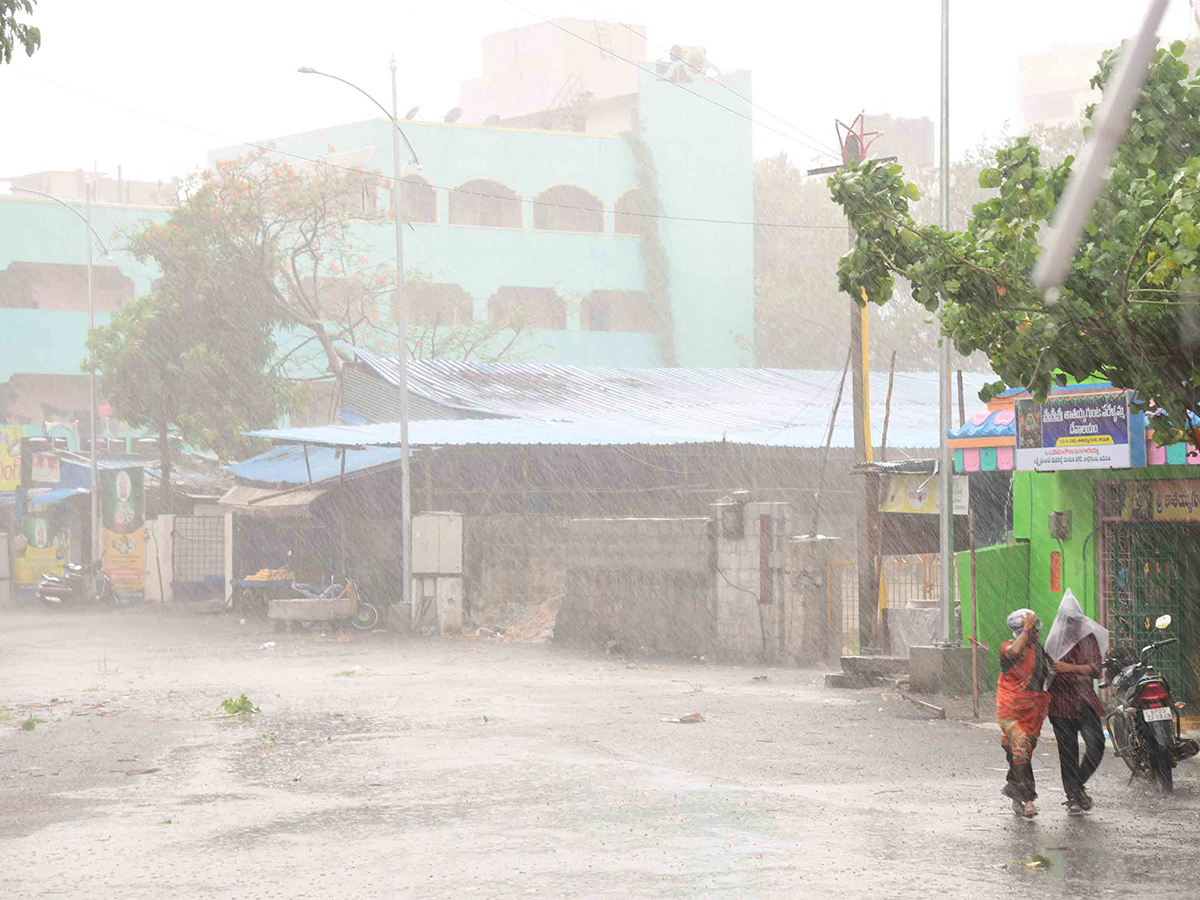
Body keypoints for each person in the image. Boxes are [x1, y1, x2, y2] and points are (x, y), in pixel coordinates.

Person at [1044, 589, 1108, 815]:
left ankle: (1076, 787)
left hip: (1085, 702)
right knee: (1068, 752)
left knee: (1097, 745)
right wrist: (1080, 671)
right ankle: (1074, 797)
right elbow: (1051, 671)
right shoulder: (1053, 641)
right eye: (1068, 621)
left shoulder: (1087, 638)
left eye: (1075, 621)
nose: (1072, 626)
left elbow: (1096, 670)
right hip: (1060, 704)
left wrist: (1070, 669)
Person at [997, 608, 1051, 817]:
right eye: (1034, 631)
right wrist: (1026, 629)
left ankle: (1014, 792)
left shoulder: (1039, 650)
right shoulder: (1007, 648)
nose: (1038, 635)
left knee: (1020, 754)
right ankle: (1029, 800)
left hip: (1033, 712)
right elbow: (1013, 652)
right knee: (1019, 748)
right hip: (1011, 710)